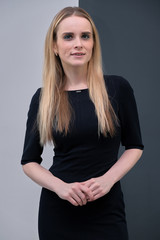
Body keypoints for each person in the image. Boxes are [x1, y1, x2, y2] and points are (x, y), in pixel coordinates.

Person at [21, 6, 144, 240]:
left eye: (85, 36)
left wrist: (107, 180)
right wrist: (60, 187)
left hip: (106, 208)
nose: (78, 43)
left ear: (93, 44)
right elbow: (28, 161)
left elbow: (135, 146)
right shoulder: (44, 98)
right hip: (58, 210)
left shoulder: (117, 88)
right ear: (54, 47)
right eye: (69, 36)